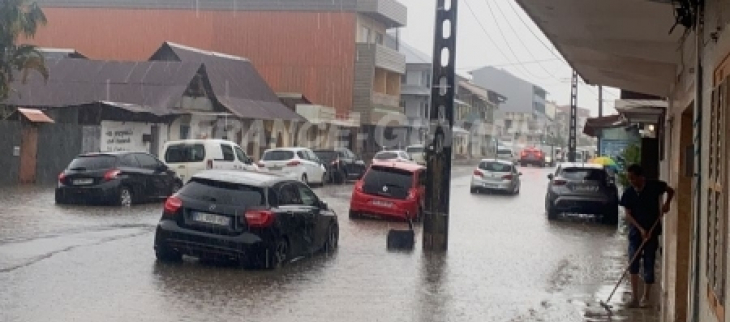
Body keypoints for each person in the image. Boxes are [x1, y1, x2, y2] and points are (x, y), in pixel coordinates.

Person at [619, 164, 675, 308]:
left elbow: (670, 190)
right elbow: (628, 215)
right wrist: (640, 229)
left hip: (652, 230)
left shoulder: (654, 186)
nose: (631, 181)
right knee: (633, 262)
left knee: (649, 261)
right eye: (629, 178)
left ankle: (646, 297)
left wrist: (667, 204)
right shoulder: (629, 193)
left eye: (633, 178)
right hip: (635, 233)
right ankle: (635, 297)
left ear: (640, 177)